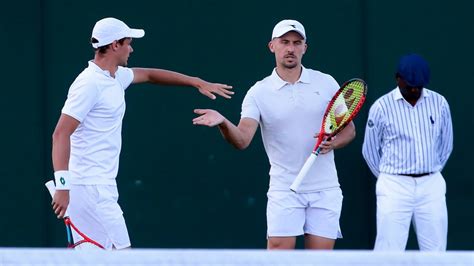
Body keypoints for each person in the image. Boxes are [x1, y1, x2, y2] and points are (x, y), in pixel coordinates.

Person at [50, 17, 233, 250]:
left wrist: (194, 82)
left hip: (100, 187)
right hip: (88, 189)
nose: (132, 48)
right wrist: (63, 186)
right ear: (115, 45)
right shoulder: (89, 84)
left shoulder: (115, 77)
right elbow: (60, 134)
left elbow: (149, 75)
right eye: (128, 42)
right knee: (124, 257)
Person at [192, 19, 355, 250]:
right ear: (272, 46)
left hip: (325, 190)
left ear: (304, 48)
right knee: (278, 257)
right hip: (284, 189)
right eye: (285, 42)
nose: (291, 48)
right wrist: (223, 122)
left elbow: (349, 130)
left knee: (319, 261)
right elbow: (242, 140)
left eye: (297, 43)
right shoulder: (258, 92)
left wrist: (334, 143)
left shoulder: (326, 82)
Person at [362, 53, 453, 251]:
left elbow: (446, 145)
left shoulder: (439, 103)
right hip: (394, 184)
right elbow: (369, 150)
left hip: (431, 183)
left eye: (418, 86)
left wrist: (430, 169)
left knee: (436, 249)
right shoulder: (381, 107)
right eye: (409, 84)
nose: (413, 89)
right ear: (398, 78)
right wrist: (388, 177)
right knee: (389, 248)